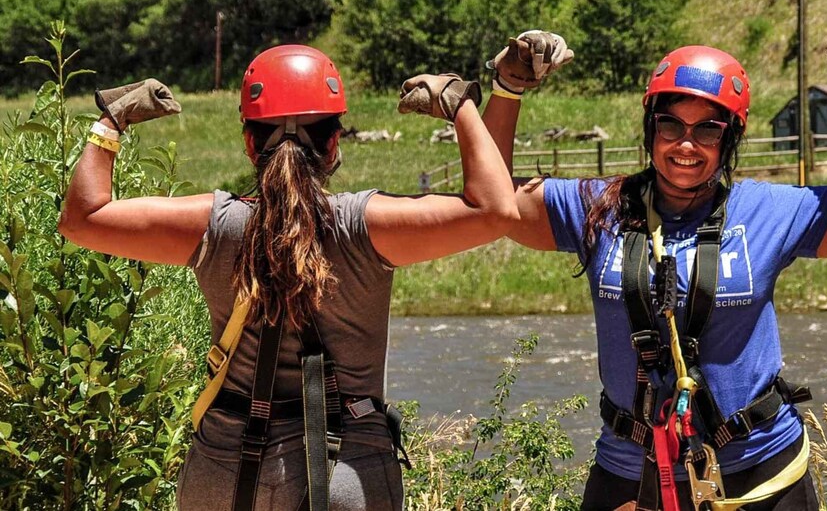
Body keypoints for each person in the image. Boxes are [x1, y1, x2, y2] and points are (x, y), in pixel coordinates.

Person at [58, 45, 519, 511]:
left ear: (250, 143)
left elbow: (82, 218)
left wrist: (112, 120)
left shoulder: (214, 224)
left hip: (223, 467)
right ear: (334, 145)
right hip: (346, 469)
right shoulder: (364, 225)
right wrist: (458, 102)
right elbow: (497, 209)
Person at [482, 33, 827, 510]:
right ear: (650, 128)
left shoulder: (766, 211)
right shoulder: (596, 208)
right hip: (631, 472)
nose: (686, 144)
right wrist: (509, 87)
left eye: (708, 130)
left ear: (729, 137)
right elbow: (493, 203)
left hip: (761, 469)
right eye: (670, 125)